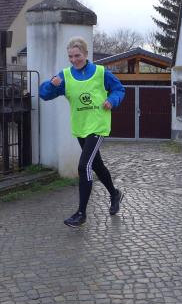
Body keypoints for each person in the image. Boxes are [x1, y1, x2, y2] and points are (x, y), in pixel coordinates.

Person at [39, 37, 125, 226]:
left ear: (86, 54)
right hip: (80, 128)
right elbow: (44, 95)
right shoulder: (65, 76)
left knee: (84, 166)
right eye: (70, 56)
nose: (74, 60)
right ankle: (114, 194)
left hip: (98, 125)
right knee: (97, 165)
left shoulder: (101, 73)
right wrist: (51, 85)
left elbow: (119, 89)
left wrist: (112, 100)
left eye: (77, 55)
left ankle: (81, 214)